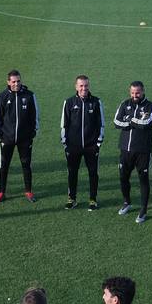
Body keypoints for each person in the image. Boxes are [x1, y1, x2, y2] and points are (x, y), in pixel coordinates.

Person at [112, 81, 152, 221]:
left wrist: (129, 119)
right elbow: (116, 122)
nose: (134, 95)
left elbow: (146, 123)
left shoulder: (151, 106)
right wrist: (134, 121)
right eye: (132, 92)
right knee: (123, 177)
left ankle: (143, 210)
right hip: (125, 149)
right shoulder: (125, 104)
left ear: (143, 91)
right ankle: (127, 202)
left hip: (143, 150)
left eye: (137, 92)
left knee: (143, 179)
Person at [0, 70, 38, 203]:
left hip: (25, 139)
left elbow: (35, 115)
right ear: (8, 82)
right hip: (7, 138)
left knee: (26, 164)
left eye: (18, 81)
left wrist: (33, 132)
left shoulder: (29, 95)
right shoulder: (2, 96)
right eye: (13, 82)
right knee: (4, 165)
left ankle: (28, 191)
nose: (16, 84)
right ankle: (1, 192)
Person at [61, 75, 104, 210]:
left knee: (93, 173)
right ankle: (72, 198)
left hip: (91, 146)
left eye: (86, 85)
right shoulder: (68, 102)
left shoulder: (96, 102)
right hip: (73, 146)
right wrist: (65, 144)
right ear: (76, 87)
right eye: (81, 85)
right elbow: (64, 125)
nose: (84, 88)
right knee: (72, 172)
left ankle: (93, 199)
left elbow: (101, 124)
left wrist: (98, 143)